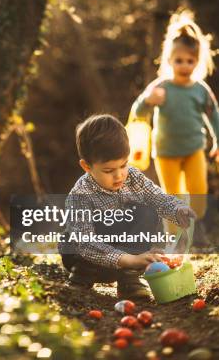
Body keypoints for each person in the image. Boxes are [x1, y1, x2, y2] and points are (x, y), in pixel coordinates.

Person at [59, 114, 196, 300]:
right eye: (109, 170)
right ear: (87, 167)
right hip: (89, 259)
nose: (119, 176)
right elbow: (84, 243)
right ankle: (81, 278)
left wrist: (176, 209)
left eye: (123, 165)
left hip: (127, 254)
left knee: (147, 212)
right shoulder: (80, 195)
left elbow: (156, 197)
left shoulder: (132, 177)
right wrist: (128, 259)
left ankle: (128, 280)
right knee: (74, 242)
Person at [131, 9, 219, 234]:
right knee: (171, 197)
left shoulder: (201, 90)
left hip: (194, 149)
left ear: (198, 61)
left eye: (190, 61)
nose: (185, 66)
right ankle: (174, 241)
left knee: (198, 194)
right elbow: (137, 111)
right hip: (166, 153)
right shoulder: (160, 87)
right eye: (179, 60)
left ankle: (193, 228)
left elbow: (215, 116)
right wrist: (148, 100)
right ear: (168, 60)